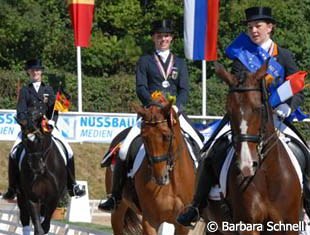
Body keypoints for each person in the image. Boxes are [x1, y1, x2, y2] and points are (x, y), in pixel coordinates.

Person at [177, 6, 310, 226]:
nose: (254, 30)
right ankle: (196, 205)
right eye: (250, 27)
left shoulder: (284, 55)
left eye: (258, 26)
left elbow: (298, 88)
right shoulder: (241, 56)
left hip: (277, 118)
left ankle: (306, 202)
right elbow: (238, 86)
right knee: (211, 152)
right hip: (246, 119)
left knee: (304, 152)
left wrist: (288, 106)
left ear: (270, 27)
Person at [98, 19, 204, 211]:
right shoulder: (145, 61)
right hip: (151, 114)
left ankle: (203, 197)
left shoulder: (179, 62)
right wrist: (153, 106)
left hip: (174, 114)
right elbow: (141, 87)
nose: (162, 39)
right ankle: (115, 196)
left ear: (171, 38)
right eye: (159, 36)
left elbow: (184, 89)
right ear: (153, 38)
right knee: (123, 149)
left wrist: (177, 107)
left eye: (166, 36)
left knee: (202, 145)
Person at [2, 59, 86, 200]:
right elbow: (21, 111)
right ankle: (12, 187)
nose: (35, 72)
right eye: (33, 70)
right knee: (13, 152)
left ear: (41, 72)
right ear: (29, 72)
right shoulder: (25, 90)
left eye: (38, 70)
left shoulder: (48, 90)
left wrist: (52, 121)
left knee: (69, 151)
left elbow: (54, 109)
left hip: (47, 127)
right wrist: (28, 125)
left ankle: (72, 185)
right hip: (29, 130)